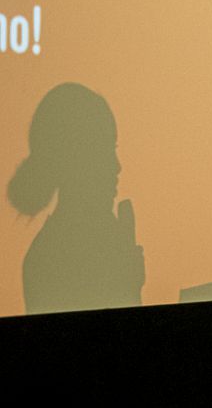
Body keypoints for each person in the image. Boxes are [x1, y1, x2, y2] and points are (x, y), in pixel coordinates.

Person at [7, 82, 145, 315]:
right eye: (105, 150)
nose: (117, 166)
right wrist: (126, 287)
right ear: (76, 159)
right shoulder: (51, 258)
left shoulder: (44, 253)